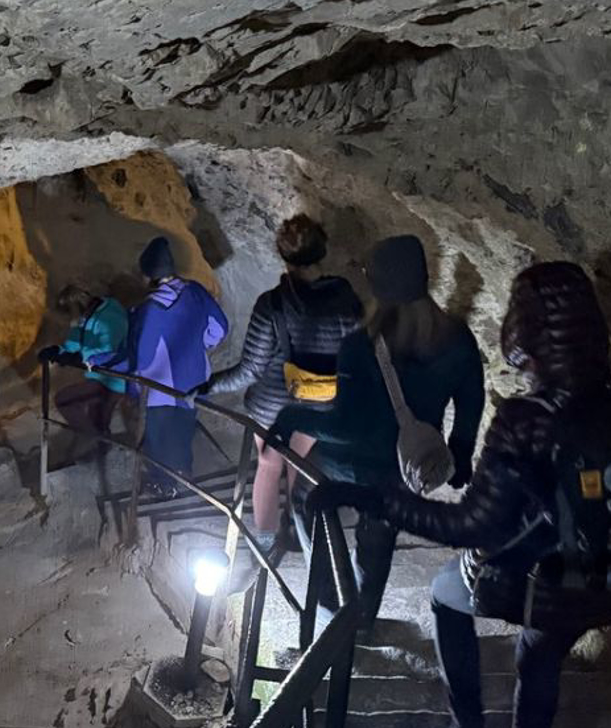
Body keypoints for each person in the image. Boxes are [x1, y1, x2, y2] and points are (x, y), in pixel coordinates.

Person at [318, 262, 611, 728]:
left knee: (447, 594)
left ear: (525, 339)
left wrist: (378, 500)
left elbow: (471, 526)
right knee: (539, 658)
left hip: (547, 584)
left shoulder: (529, 418)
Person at [270, 234, 484, 618]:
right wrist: (461, 452)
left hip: (354, 463)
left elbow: (347, 426)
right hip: (405, 467)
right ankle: (363, 617)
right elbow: (471, 401)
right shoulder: (457, 340)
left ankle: (326, 599)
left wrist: (290, 418)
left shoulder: (362, 346)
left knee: (306, 493)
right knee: (380, 533)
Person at [206, 214, 362, 533]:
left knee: (269, 463)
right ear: (322, 252)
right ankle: (299, 529)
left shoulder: (272, 305)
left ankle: (266, 538)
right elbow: (356, 357)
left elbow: (250, 370)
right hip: (322, 404)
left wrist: (209, 385)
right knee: (300, 464)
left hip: (274, 408)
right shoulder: (346, 301)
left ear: (283, 255)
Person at [114, 237, 228, 499]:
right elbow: (220, 328)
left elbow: (141, 359)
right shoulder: (196, 291)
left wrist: (124, 383)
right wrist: (201, 346)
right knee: (183, 433)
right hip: (196, 380)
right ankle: (186, 482)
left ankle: (165, 486)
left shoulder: (151, 308)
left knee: (158, 442)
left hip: (160, 388)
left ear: (148, 275)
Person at [42, 283, 129, 467]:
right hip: (100, 378)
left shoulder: (110, 317)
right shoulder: (86, 316)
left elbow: (109, 351)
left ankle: (95, 441)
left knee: (65, 400)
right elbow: (75, 341)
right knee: (99, 421)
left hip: (115, 379)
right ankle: (99, 451)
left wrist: (80, 356)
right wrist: (58, 351)